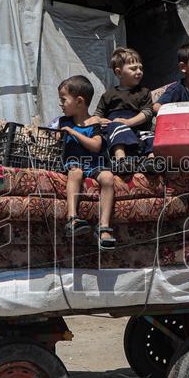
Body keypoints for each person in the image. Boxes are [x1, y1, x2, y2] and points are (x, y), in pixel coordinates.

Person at [57, 76, 117, 249]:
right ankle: (72, 218)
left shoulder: (94, 123)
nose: (61, 104)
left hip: (94, 162)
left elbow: (96, 145)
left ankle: (104, 226)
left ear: (80, 101)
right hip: (74, 162)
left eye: (64, 99)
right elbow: (58, 141)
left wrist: (73, 133)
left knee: (107, 177)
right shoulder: (64, 121)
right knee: (75, 172)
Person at [93, 47, 153, 173]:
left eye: (140, 68)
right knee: (118, 126)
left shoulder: (144, 92)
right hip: (115, 127)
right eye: (133, 69)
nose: (139, 71)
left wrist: (129, 122)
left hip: (137, 128)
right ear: (119, 73)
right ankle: (121, 160)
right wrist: (100, 120)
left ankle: (151, 162)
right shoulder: (109, 95)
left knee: (152, 136)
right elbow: (97, 115)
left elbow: (147, 113)